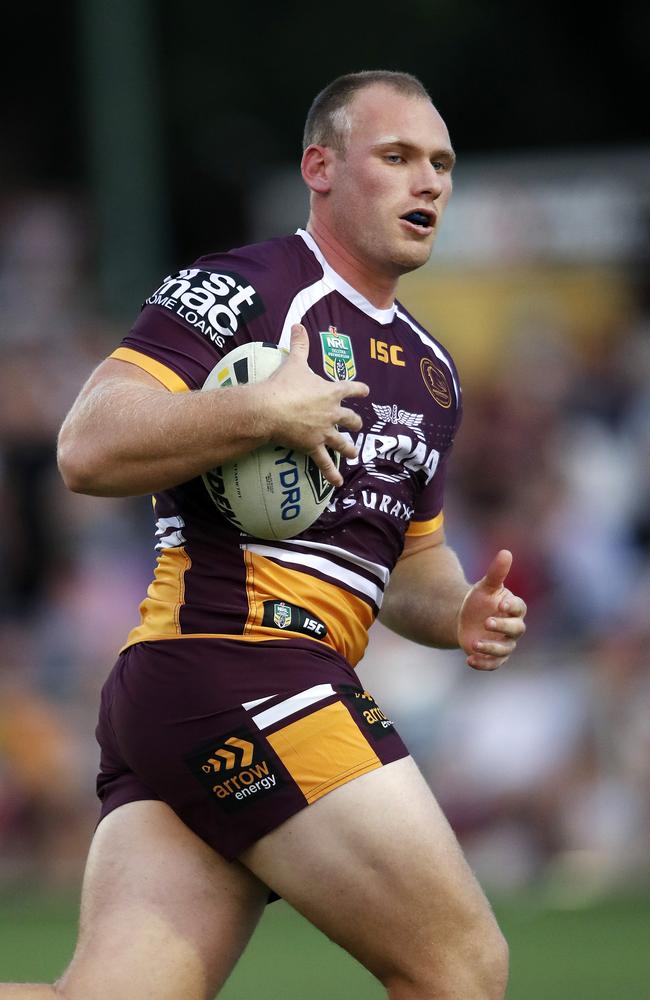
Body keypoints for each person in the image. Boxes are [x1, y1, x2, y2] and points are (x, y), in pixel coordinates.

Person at [3, 70, 527, 1000]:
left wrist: (462, 614)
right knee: (463, 969)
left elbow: (409, 567)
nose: (429, 182)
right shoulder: (242, 288)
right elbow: (86, 446)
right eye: (397, 156)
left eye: (441, 163)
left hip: (204, 690)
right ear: (319, 168)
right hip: (240, 667)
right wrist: (256, 409)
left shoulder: (435, 371)